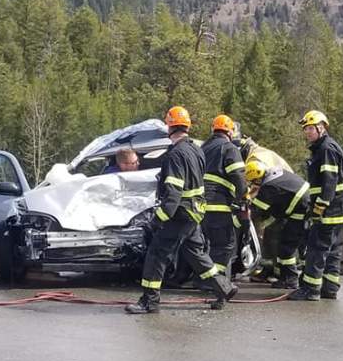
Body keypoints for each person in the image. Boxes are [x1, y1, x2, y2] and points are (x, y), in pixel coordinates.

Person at [126, 106, 239, 314]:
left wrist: (157, 220)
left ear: (169, 126)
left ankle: (149, 301)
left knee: (157, 253)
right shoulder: (196, 149)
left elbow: (173, 194)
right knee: (196, 253)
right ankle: (225, 287)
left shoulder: (176, 154)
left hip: (179, 213)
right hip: (195, 212)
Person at [289, 110, 343, 301]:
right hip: (341, 208)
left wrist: (319, 208)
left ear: (321, 128)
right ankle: (330, 287)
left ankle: (311, 289)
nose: (307, 133)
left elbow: (329, 182)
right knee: (334, 250)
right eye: (305, 129)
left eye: (310, 128)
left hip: (331, 209)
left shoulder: (326, 149)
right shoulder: (326, 147)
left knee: (318, 248)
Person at [244, 160, 310, 289]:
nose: (253, 185)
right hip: (300, 208)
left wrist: (244, 213)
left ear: (257, 178)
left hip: (299, 212)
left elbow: (257, 211)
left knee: (286, 246)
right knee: (278, 237)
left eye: (253, 182)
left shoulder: (269, 186)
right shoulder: (277, 174)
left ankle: (290, 279)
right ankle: (281, 274)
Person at [201, 115, 247, 276]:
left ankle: (201, 278)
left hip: (199, 205)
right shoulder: (229, 148)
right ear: (231, 132)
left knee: (202, 245)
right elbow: (238, 175)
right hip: (218, 205)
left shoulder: (203, 147)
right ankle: (216, 281)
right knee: (225, 245)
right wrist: (243, 197)